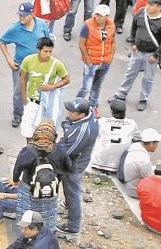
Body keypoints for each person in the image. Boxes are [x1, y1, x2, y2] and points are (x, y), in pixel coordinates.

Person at [114, 0, 161, 112]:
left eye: (151, 5)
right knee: (130, 74)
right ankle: (121, 94)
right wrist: (133, 43)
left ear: (158, 7)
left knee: (148, 78)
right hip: (137, 51)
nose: (147, 6)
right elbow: (134, 27)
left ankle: (143, 98)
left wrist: (156, 55)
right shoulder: (141, 12)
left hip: (151, 54)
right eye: (147, 4)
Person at [56, 98, 100, 237]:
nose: (69, 114)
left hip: (73, 166)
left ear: (81, 114)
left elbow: (66, 152)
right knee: (70, 191)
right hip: (78, 159)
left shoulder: (82, 131)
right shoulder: (89, 113)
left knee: (72, 193)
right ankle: (68, 205)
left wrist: (66, 129)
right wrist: (68, 125)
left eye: (72, 112)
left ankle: (73, 226)